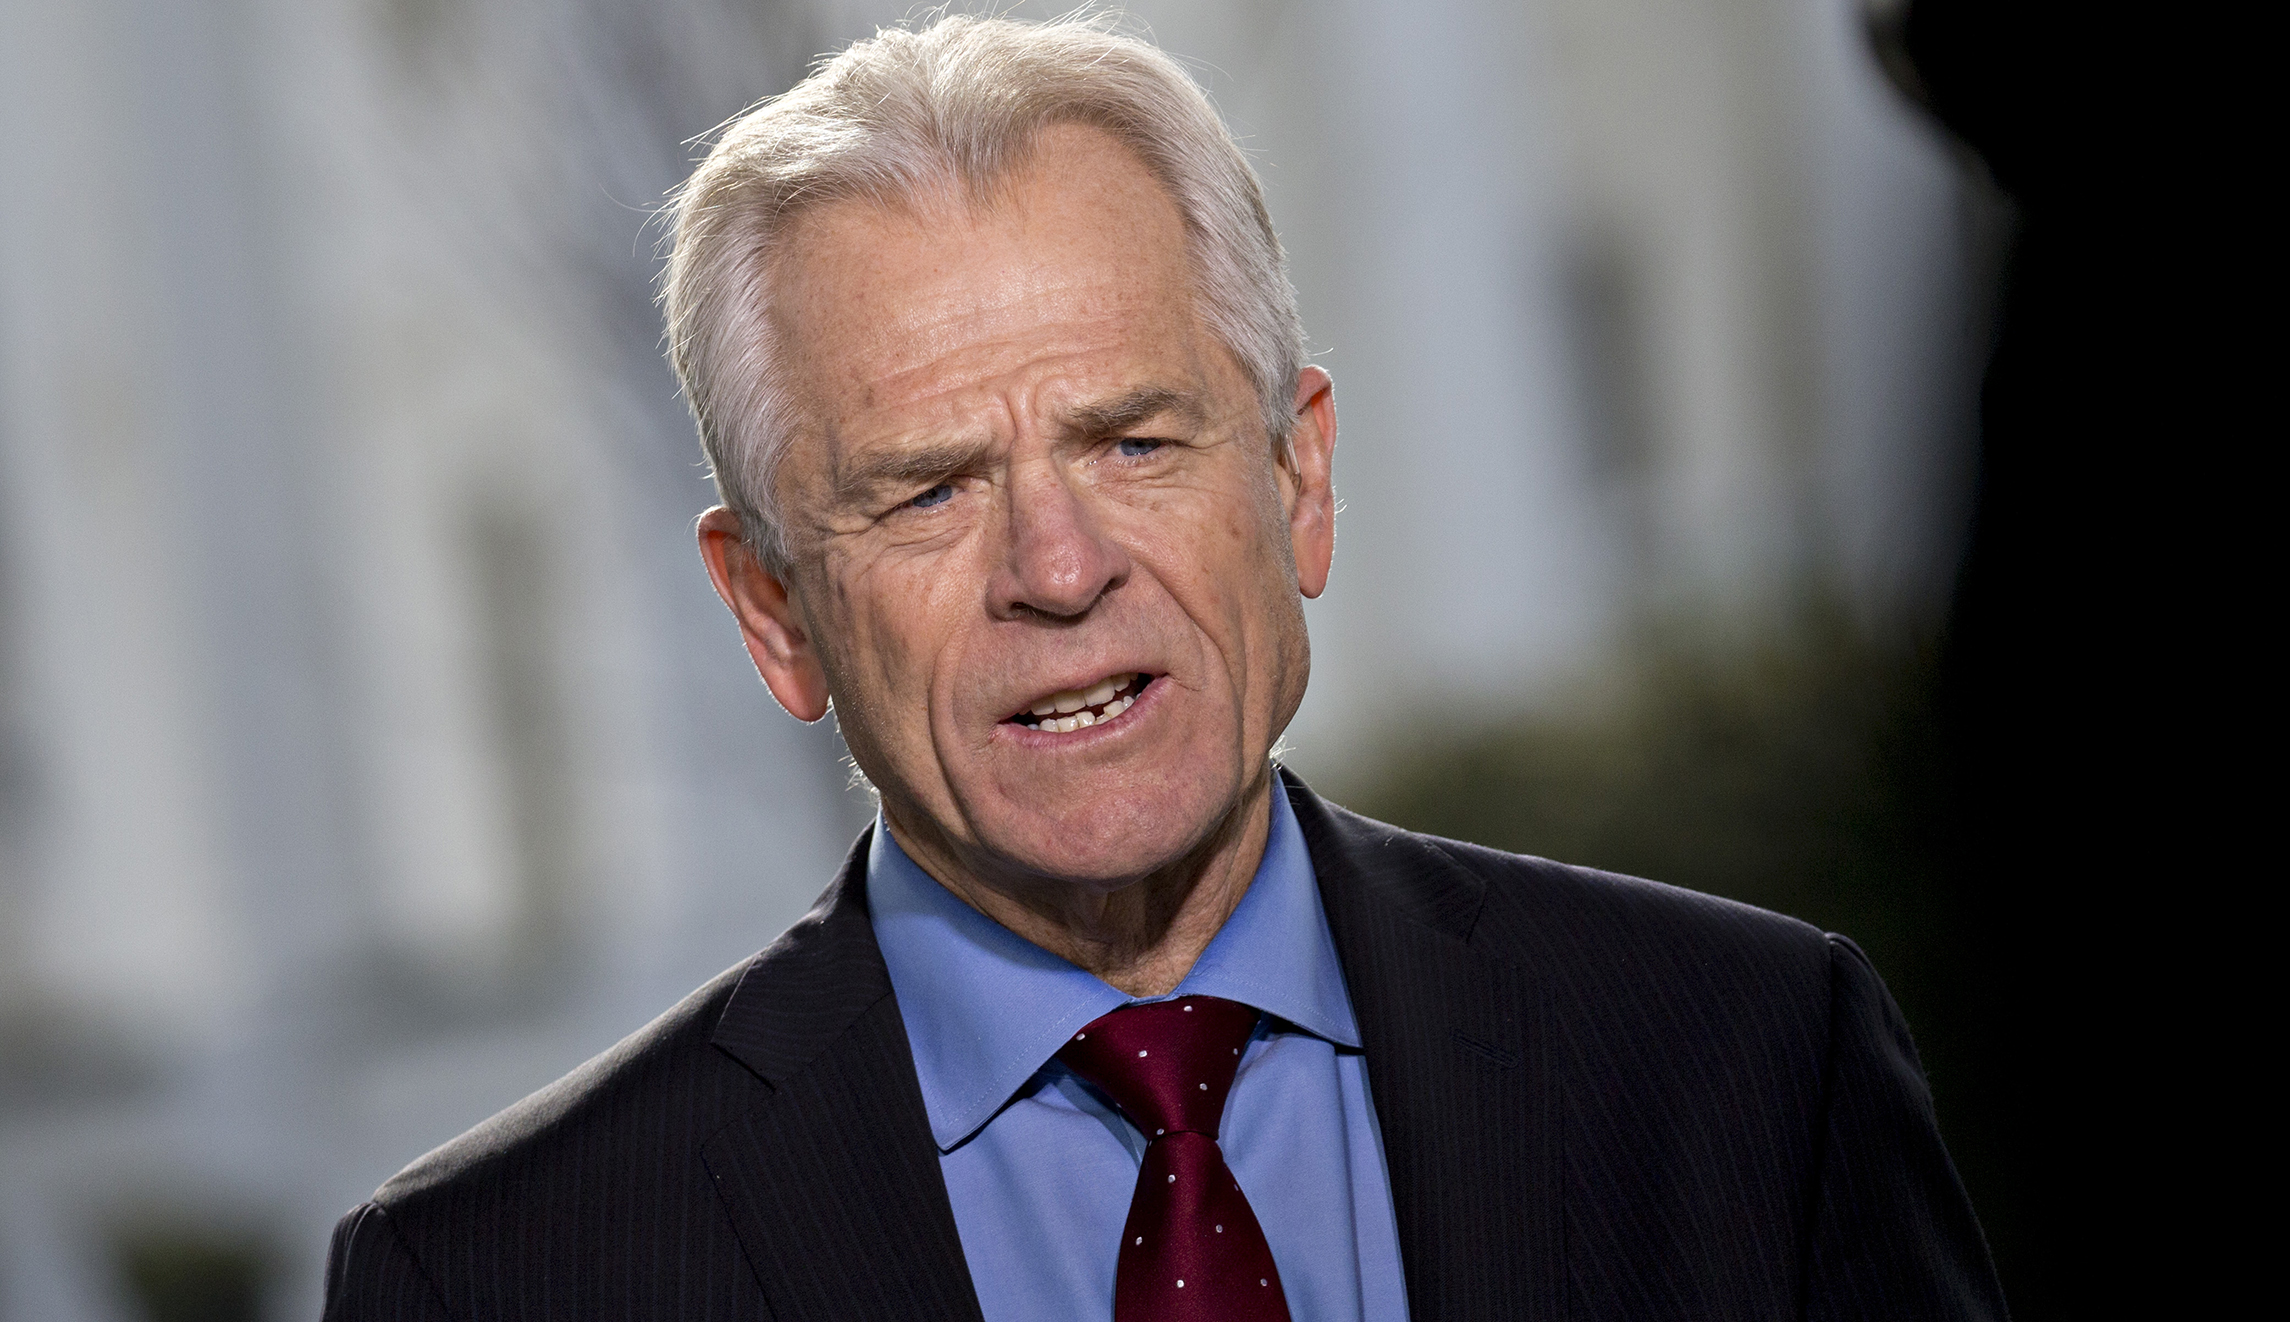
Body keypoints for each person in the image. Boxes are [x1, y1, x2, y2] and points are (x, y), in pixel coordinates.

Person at [322, 14, 2005, 1320]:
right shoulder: (505, 1277)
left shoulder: (1748, 1070)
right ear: (772, 610)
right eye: (927, 491)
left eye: (1131, 442)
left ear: (1297, 480)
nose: (1059, 570)